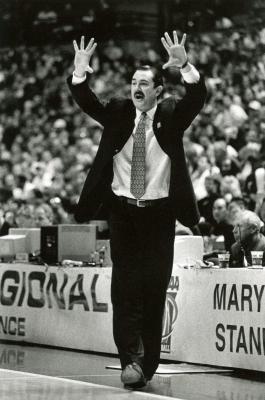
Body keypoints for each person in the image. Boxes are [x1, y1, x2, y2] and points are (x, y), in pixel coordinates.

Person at [67, 32, 207, 388]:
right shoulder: (118, 112)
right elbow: (88, 103)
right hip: (123, 213)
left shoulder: (172, 113)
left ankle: (148, 365)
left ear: (159, 90)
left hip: (160, 214)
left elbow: (198, 97)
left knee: (153, 288)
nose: (136, 87)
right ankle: (130, 360)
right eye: (133, 82)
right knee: (123, 289)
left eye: (144, 82)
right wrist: (80, 72)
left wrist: (186, 65)